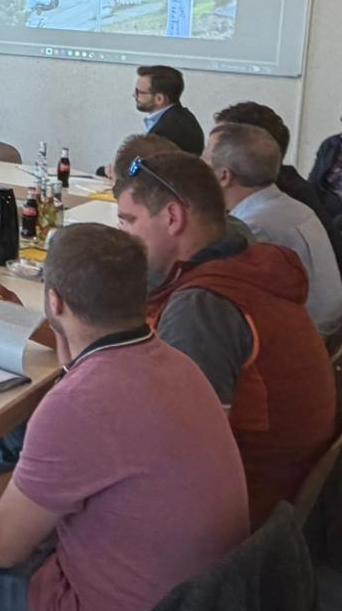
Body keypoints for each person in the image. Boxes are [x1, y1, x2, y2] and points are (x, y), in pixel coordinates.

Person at [0, 224, 248, 611]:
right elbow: (58, 476)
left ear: (54, 302)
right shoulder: (180, 366)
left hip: (96, 598)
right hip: (189, 590)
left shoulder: (81, 401)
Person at [115, 151, 336, 525]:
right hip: (281, 495)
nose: (122, 237)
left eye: (128, 221)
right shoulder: (244, 259)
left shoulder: (202, 307)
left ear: (173, 217)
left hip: (238, 522)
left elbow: (179, 459)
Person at [207, 122, 342, 336]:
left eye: (205, 162)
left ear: (224, 176)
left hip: (303, 339)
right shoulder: (293, 206)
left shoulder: (251, 226)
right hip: (326, 331)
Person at [132, 65, 204, 156]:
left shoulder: (165, 132)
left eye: (139, 92)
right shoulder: (183, 117)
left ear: (159, 99)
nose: (134, 95)